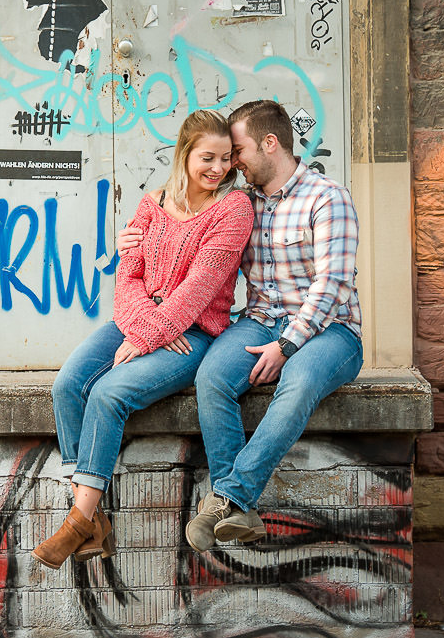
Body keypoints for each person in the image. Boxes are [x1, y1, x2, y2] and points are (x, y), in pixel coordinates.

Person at [118, 99, 363, 551]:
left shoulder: (328, 198)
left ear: (270, 144)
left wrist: (286, 346)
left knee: (298, 381)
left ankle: (228, 497)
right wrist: (133, 239)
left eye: (237, 152)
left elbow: (332, 285)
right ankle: (241, 514)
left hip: (330, 330)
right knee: (212, 376)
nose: (232, 164)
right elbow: (185, 238)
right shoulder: (242, 204)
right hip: (260, 321)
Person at [33, 110, 255, 568]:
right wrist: (145, 327)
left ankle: (79, 522)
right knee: (68, 385)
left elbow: (199, 289)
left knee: (108, 394)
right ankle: (90, 520)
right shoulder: (152, 203)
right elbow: (128, 276)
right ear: (185, 154)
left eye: (226, 159)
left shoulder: (234, 209)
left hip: (191, 335)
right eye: (207, 158)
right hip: (138, 322)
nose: (218, 168)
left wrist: (154, 333)